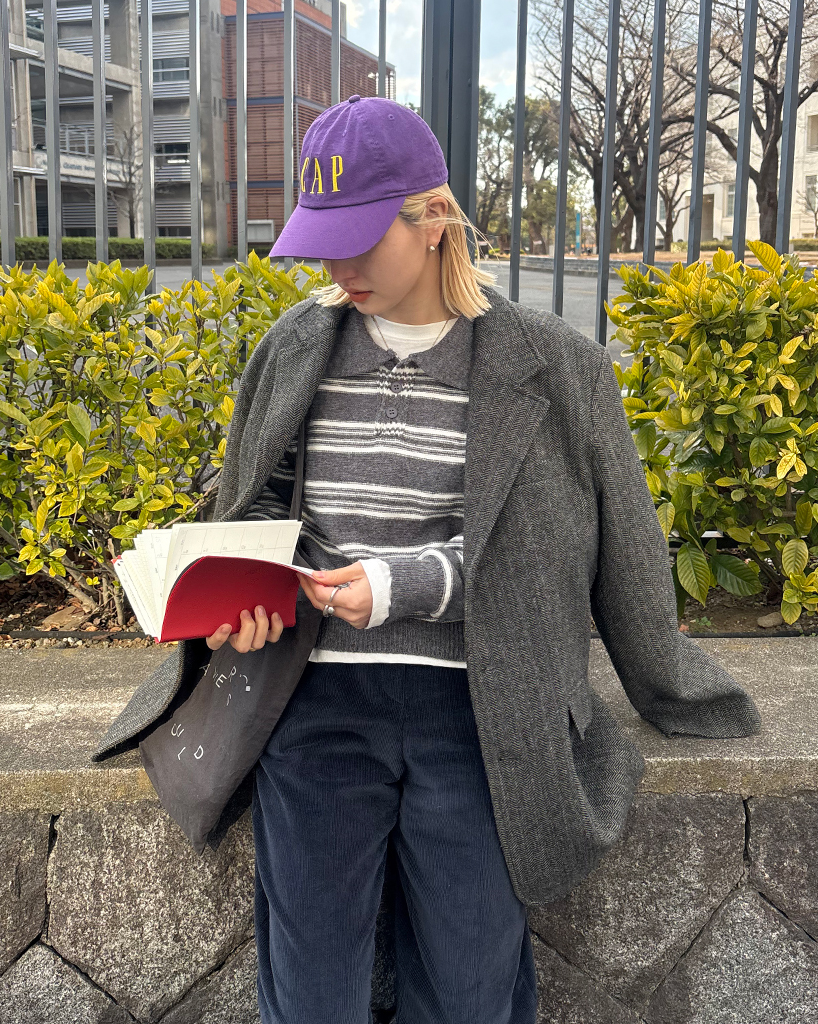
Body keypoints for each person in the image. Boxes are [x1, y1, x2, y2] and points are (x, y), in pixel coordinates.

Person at [202, 95, 762, 1024]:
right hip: (315, 698)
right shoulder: (296, 346)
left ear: (434, 219)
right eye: (321, 243)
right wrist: (252, 582)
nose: (337, 267)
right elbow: (259, 497)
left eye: (358, 239)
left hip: (483, 706)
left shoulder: (553, 365)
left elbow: (551, 557)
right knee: (309, 994)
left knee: (469, 987)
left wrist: (400, 585)